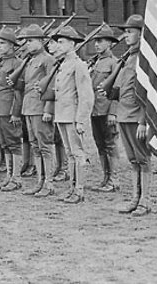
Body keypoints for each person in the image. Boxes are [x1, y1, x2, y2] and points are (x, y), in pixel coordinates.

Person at [101, 14, 153, 216]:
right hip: (124, 115)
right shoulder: (129, 57)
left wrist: (143, 120)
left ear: (142, 34)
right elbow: (122, 87)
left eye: (130, 31)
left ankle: (145, 200)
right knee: (133, 159)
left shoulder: (144, 59)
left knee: (143, 158)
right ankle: (135, 197)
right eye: (125, 31)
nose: (126, 35)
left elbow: (148, 92)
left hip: (136, 116)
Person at [43, 26, 94, 203]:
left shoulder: (79, 65)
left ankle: (79, 191)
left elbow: (86, 96)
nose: (58, 45)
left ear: (72, 44)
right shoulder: (63, 64)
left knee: (78, 153)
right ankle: (72, 188)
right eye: (58, 42)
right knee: (69, 153)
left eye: (62, 42)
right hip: (62, 114)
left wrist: (81, 120)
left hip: (72, 116)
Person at [13, 24, 56, 197]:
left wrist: (48, 109)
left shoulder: (48, 60)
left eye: (31, 41)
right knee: (35, 146)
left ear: (41, 41)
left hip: (40, 107)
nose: (27, 44)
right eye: (26, 41)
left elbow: (52, 86)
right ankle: (40, 180)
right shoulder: (29, 60)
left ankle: (49, 183)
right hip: (29, 107)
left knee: (45, 146)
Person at [0, 27, 23, 191]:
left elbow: (18, 91)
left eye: (2, 43)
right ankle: (9, 176)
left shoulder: (17, 63)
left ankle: (16, 178)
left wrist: (16, 113)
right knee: (5, 144)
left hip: (9, 110)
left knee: (14, 143)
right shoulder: (0, 63)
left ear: (11, 45)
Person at [87, 24, 121, 193]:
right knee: (100, 145)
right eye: (96, 41)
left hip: (107, 110)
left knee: (111, 145)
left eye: (101, 41)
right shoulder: (94, 62)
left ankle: (114, 180)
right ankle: (105, 178)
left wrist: (113, 112)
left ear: (110, 43)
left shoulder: (114, 63)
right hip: (95, 109)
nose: (97, 44)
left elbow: (117, 89)